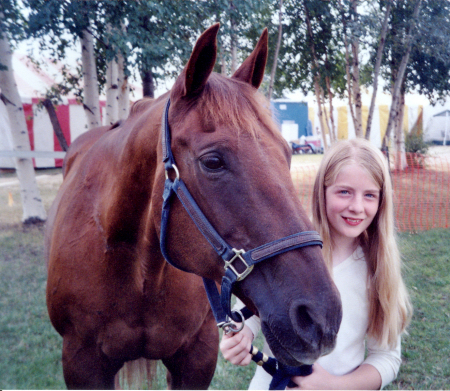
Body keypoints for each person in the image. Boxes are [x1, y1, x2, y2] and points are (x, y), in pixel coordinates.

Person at [220, 138, 412, 390]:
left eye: (369, 195)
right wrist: (241, 335)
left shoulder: (378, 269)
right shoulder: (285, 252)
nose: (356, 207)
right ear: (322, 191)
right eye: (344, 192)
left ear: (381, 201)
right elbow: (252, 313)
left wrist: (332, 385)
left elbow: (387, 357)